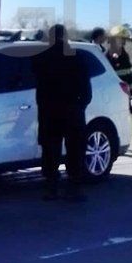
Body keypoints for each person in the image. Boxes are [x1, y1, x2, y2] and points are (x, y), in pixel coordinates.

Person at [31, 24, 93, 202]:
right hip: (73, 111)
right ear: (65, 37)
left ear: (50, 38)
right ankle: (75, 189)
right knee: (75, 150)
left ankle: (52, 188)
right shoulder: (78, 57)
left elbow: (35, 77)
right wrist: (80, 106)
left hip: (49, 111)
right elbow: (86, 89)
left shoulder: (42, 58)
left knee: (51, 150)